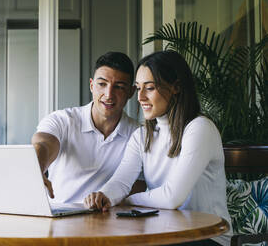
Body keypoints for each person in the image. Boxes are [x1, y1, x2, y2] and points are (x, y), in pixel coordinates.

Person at [84, 50, 232, 246]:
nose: (140, 97)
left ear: (176, 87)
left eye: (150, 88)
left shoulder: (199, 128)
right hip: (165, 234)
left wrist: (128, 201)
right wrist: (104, 196)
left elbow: (172, 198)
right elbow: (121, 182)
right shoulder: (142, 136)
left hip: (206, 238)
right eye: (138, 88)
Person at [32, 51, 141, 204]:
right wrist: (37, 168)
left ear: (131, 92)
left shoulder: (138, 134)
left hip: (110, 221)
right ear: (91, 85)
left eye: (119, 87)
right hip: (60, 219)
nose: (109, 94)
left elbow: (139, 184)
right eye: (102, 84)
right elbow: (44, 144)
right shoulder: (63, 120)